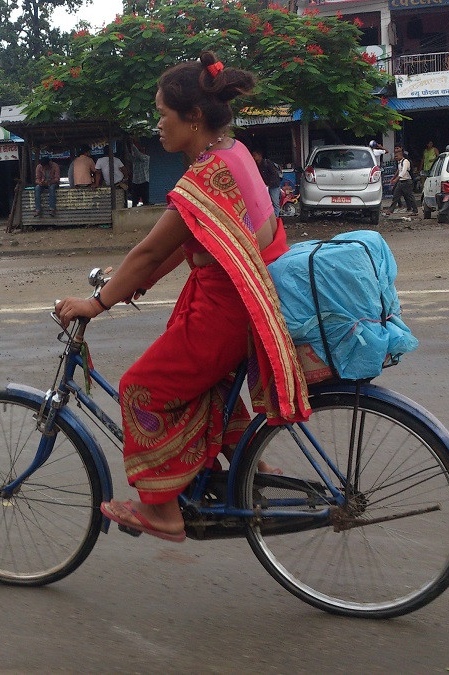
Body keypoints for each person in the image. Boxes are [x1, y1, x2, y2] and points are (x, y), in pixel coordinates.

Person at [54, 51, 311, 541]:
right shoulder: (234, 155)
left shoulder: (205, 177)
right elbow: (191, 240)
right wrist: (129, 280)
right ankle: (251, 466)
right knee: (204, 389)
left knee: (139, 389)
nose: (158, 124)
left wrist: (97, 302)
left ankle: (163, 513)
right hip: (249, 298)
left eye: (163, 114)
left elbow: (151, 252)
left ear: (193, 118)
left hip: (226, 310)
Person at [386, 147, 418, 215]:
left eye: (397, 156)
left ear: (401, 155)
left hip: (407, 181)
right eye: (395, 157)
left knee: (410, 196)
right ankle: (390, 210)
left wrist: (396, 179)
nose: (395, 158)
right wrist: (393, 178)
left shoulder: (405, 161)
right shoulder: (399, 162)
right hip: (401, 181)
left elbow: (403, 171)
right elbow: (398, 171)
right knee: (396, 196)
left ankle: (415, 210)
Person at [251, 149, 283, 216]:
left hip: (273, 185)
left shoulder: (267, 163)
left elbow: (274, 174)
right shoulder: (256, 165)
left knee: (275, 202)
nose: (253, 157)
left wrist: (269, 183)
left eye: (254, 155)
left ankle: (276, 217)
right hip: (265, 186)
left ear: (260, 155)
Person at [127, 140, 151, 206]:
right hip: (135, 182)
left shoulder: (146, 158)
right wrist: (126, 147)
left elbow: (138, 154)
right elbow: (128, 156)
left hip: (144, 181)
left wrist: (132, 145)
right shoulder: (135, 160)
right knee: (134, 201)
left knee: (145, 200)